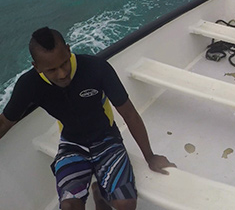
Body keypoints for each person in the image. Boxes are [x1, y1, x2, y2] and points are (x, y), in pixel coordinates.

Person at [0, 27, 175, 210]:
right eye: (52, 70)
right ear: (36, 66)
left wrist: (150, 156)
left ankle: (100, 195)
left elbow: (129, 113)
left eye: (64, 63)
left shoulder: (96, 68)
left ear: (68, 50)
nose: (62, 74)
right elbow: (5, 121)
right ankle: (99, 192)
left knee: (125, 203)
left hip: (107, 139)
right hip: (72, 144)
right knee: (69, 206)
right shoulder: (29, 84)